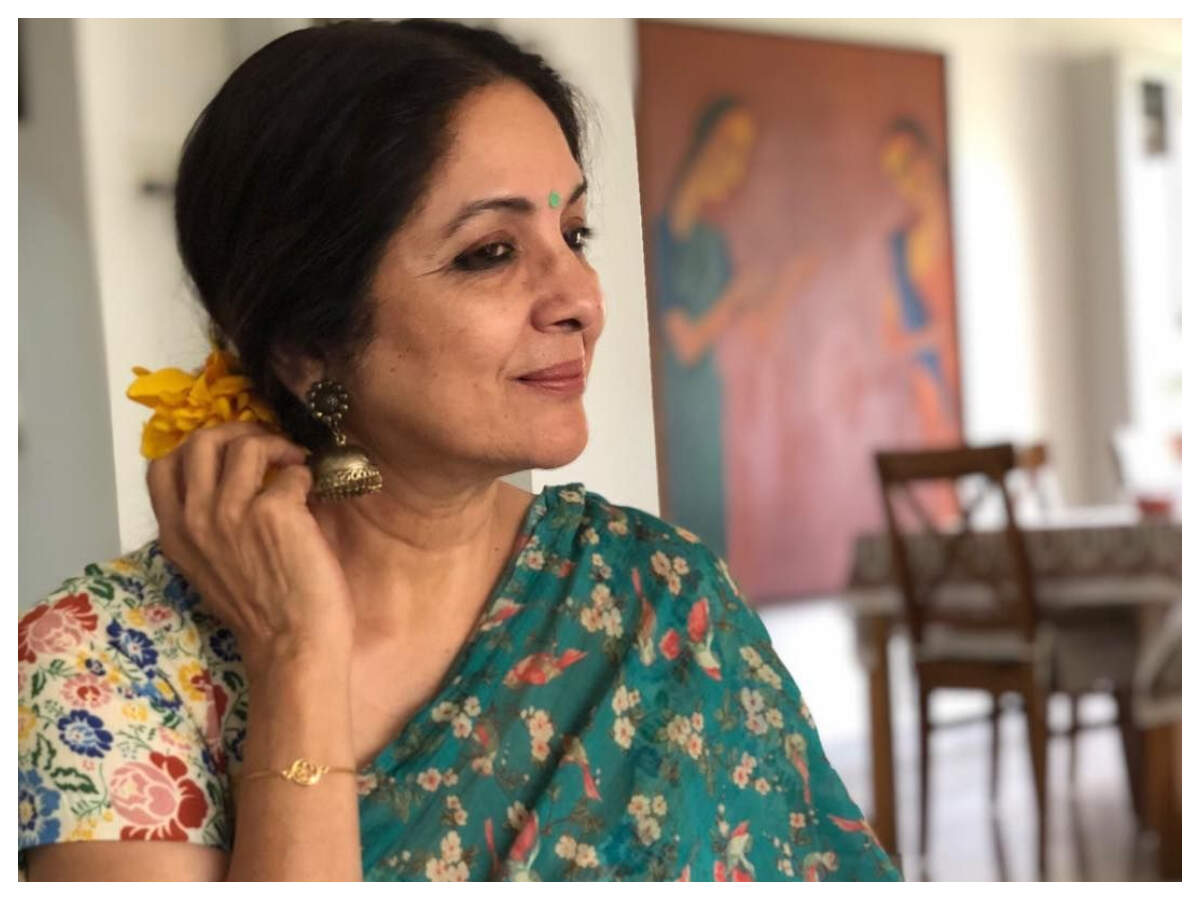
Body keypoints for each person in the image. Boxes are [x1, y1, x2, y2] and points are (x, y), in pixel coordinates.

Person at [18, 20, 900, 881]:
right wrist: (295, 657)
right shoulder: (109, 664)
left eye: (574, 235)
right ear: (305, 346)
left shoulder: (659, 597)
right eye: (490, 253)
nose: (582, 299)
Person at [652, 98, 814, 560]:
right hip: (679, 412)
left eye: (743, 151)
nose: (735, 163)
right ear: (703, 145)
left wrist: (787, 284)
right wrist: (736, 295)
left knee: (714, 539)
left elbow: (757, 329)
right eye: (728, 145)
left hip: (712, 404)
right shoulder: (660, 238)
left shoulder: (712, 241)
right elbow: (686, 344)